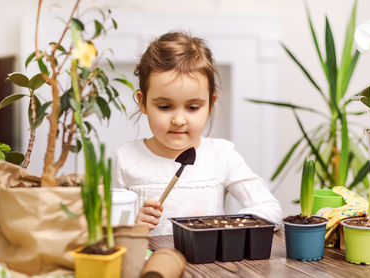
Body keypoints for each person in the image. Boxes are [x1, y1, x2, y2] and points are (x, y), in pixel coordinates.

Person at [112, 31, 283, 236]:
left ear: (210, 104)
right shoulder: (125, 160)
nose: (179, 119)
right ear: (142, 102)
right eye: (165, 107)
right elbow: (105, 233)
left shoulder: (222, 155)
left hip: (212, 268)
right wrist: (132, 226)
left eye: (192, 107)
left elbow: (270, 210)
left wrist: (229, 225)